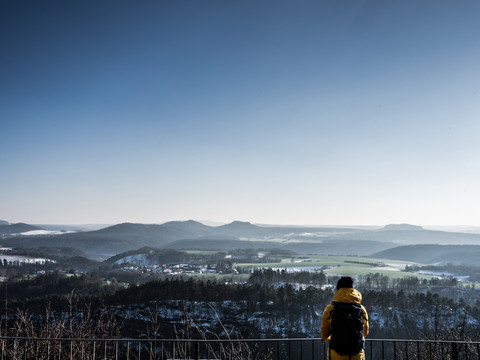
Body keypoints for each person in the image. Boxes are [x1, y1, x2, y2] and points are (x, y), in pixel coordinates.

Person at [321, 276, 369, 360]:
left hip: (336, 353)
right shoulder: (361, 309)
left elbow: (324, 330)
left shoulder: (330, 308)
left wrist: (325, 338)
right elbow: (365, 331)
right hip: (356, 353)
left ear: (338, 289)